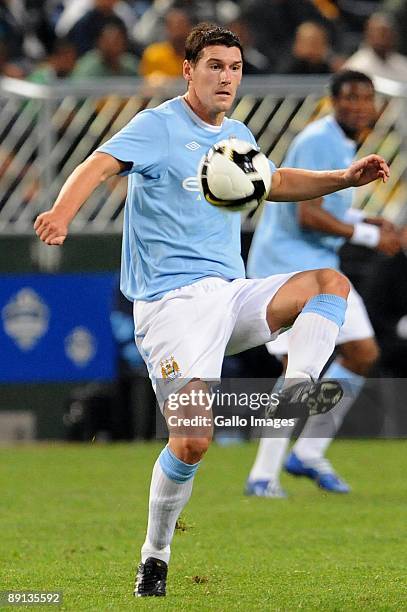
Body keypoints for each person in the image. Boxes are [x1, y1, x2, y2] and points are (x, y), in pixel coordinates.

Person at [34, 24, 390, 597]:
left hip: (229, 293)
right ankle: (155, 553)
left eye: (235, 68)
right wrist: (61, 211)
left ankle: (294, 395)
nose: (227, 77)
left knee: (329, 284)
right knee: (194, 441)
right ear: (189, 70)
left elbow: (274, 182)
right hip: (170, 308)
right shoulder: (158, 126)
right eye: (216, 66)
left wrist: (343, 178)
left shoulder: (239, 132)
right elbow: (98, 166)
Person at [245, 70, 401, 498]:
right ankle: (263, 474)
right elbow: (306, 215)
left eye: (366, 98)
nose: (359, 105)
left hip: (321, 269)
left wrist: (367, 220)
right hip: (288, 270)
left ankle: (308, 452)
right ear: (333, 101)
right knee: (296, 369)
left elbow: (325, 208)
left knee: (362, 352)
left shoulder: (341, 141)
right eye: (350, 97)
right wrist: (370, 236)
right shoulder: (319, 138)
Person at [344, 12, 407, 81]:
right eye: (380, 33)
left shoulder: (403, 64)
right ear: (368, 35)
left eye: (388, 33)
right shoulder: (355, 66)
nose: (384, 38)